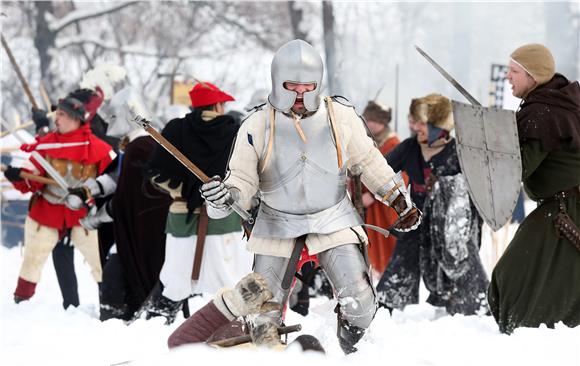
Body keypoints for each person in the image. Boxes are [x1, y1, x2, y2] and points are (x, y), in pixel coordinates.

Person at [201, 39, 421, 354]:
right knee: (262, 316)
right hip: (276, 224)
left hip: (333, 219)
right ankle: (270, 360)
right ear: (278, 81)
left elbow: (369, 161)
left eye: (308, 86)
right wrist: (223, 197)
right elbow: (242, 182)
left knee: (360, 301)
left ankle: (352, 355)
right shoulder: (257, 124)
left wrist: (397, 199)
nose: (301, 94)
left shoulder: (340, 116)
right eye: (293, 86)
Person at [140, 81, 253, 324]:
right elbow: (246, 174)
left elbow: (156, 174)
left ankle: (156, 324)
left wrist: (186, 190)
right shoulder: (236, 130)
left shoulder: (175, 129)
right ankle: (240, 326)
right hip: (224, 218)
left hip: (183, 215)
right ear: (218, 105)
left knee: (174, 278)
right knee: (231, 278)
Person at [488, 44, 580, 334]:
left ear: (534, 75)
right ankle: (549, 330)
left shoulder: (544, 112)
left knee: (512, 277)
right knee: (559, 277)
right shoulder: (555, 103)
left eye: (514, 71)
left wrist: (495, 144)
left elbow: (519, 167)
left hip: (566, 210)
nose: (508, 77)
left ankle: (529, 334)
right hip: (562, 206)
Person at [376, 94, 489, 316]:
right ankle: (383, 309)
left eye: (422, 123)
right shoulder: (410, 148)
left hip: (452, 224)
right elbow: (380, 169)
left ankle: (477, 308)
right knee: (402, 261)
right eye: (415, 122)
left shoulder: (460, 152)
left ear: (439, 126)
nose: (415, 127)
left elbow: (480, 191)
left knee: (463, 262)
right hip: (418, 218)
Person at [71, 86, 172, 321]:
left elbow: (130, 198)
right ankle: (120, 318)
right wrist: (89, 188)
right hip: (131, 229)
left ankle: (117, 322)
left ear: (130, 115)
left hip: (142, 230)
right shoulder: (132, 146)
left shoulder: (142, 146)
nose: (109, 123)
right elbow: (119, 177)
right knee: (117, 274)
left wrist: (99, 216)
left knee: (117, 278)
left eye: (114, 116)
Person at [4, 90, 115, 303]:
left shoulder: (97, 148)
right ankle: (22, 301)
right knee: (33, 258)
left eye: (62, 115)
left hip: (83, 213)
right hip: (48, 210)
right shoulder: (46, 144)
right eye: (58, 114)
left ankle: (111, 302)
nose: (57, 118)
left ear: (75, 119)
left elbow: (114, 177)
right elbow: (32, 181)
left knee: (100, 260)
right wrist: (18, 176)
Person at [360, 101, 401, 274]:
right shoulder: (369, 140)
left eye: (371, 120)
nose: (367, 123)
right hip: (367, 202)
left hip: (383, 203)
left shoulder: (392, 144)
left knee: (385, 243)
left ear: (381, 122)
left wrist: (372, 194)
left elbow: (396, 175)